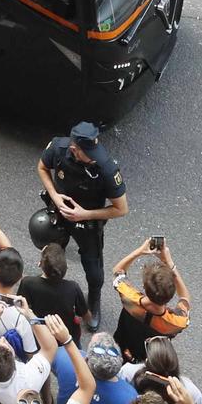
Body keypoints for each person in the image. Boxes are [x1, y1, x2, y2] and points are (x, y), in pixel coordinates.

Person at [37, 122, 128, 325]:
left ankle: (93, 302)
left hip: (86, 224)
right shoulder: (58, 148)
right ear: (74, 149)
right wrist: (55, 195)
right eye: (89, 152)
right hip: (59, 214)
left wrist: (85, 214)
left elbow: (121, 208)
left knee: (95, 274)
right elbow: (42, 167)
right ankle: (49, 291)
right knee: (50, 256)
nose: (95, 156)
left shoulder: (106, 168)